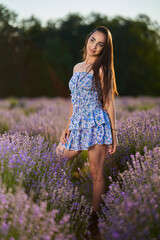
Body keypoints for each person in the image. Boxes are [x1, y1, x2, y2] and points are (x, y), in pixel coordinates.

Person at [56, 26, 119, 237]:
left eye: (100, 44)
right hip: (78, 123)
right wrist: (68, 126)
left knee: (95, 173)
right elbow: (74, 101)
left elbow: (108, 102)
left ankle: (94, 219)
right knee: (58, 156)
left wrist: (113, 135)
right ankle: (57, 200)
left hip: (97, 124)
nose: (94, 46)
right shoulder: (76, 67)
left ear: (104, 48)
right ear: (87, 40)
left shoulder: (101, 70)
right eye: (93, 40)